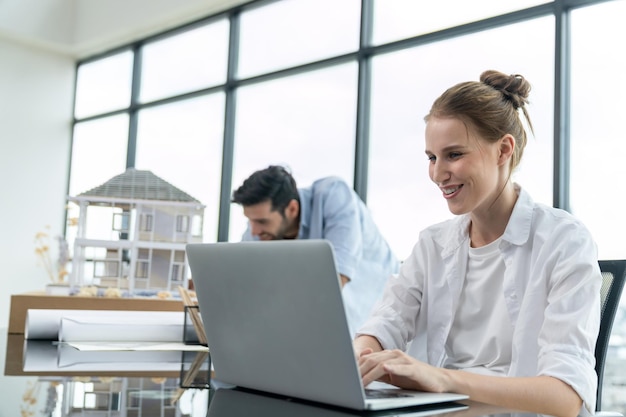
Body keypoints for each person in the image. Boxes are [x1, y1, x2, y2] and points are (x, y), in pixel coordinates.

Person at [353, 70, 601, 417]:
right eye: (432, 157)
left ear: (503, 150)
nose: (438, 173)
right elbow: (386, 322)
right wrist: (362, 355)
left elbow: (565, 397)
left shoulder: (564, 241)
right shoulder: (433, 244)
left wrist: (442, 379)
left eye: (453, 155)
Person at [232, 165, 400, 336]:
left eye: (262, 221)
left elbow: (334, 282)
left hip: (385, 309)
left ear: (292, 209)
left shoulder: (334, 195)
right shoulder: (261, 231)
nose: (254, 231)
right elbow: (247, 281)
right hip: (335, 320)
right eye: (250, 221)